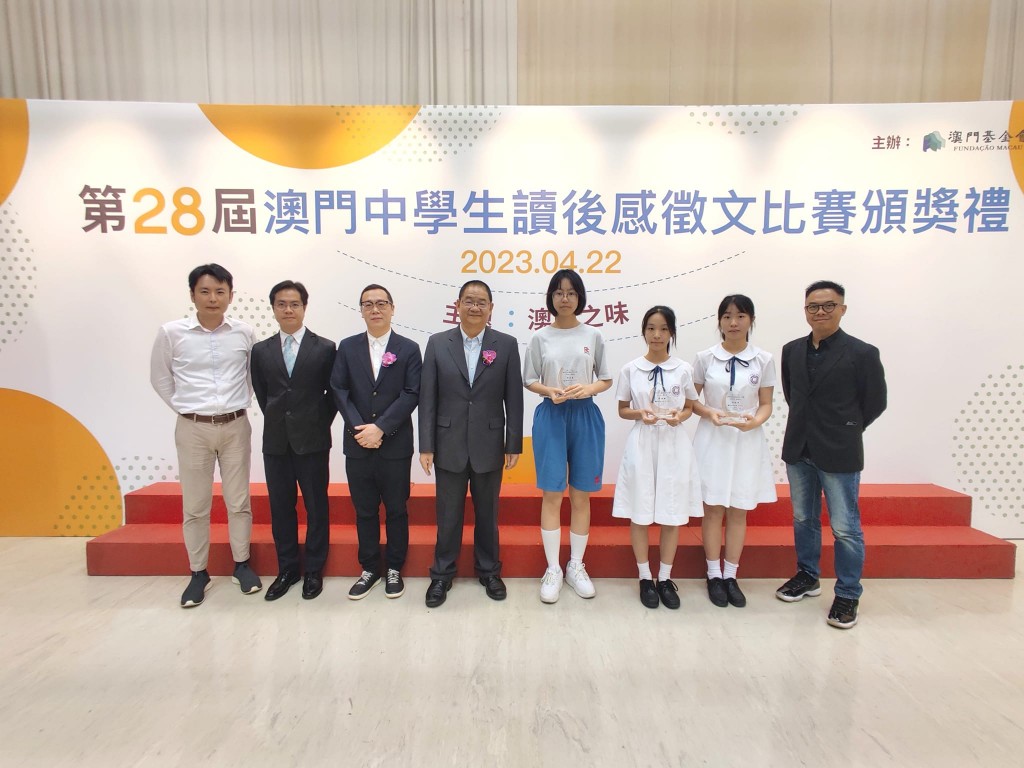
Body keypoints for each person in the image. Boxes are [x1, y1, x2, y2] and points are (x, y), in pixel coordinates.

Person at [776, 280, 887, 629]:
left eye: (828, 305)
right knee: (803, 519)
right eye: (813, 306)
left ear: (842, 309)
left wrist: (846, 428)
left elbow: (875, 402)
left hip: (840, 450)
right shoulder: (792, 350)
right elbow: (793, 395)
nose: (820, 312)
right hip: (799, 447)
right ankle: (807, 576)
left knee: (845, 527)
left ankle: (848, 593)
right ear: (805, 310)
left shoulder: (862, 353)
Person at [150, 263, 262, 607]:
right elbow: (160, 378)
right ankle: (198, 572)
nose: (213, 298)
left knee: (238, 500)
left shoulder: (244, 332)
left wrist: (235, 405)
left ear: (230, 295)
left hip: (235, 425)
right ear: (192, 295)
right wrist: (187, 409)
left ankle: (242, 565)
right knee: (196, 505)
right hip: (192, 428)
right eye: (205, 291)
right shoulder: (172, 332)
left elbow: (254, 376)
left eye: (220, 292)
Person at [418, 280, 524, 608]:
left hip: (489, 443)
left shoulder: (506, 345)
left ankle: (489, 571)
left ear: (491, 308)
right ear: (458, 305)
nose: (475, 307)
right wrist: (426, 445)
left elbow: (514, 399)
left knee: (488, 514)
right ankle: (441, 575)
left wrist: (513, 444)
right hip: (447, 442)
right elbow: (427, 397)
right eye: (469, 301)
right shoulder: (438, 343)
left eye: (481, 302)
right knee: (448, 515)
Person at [522, 269, 613, 604]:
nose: (565, 298)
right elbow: (529, 379)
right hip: (551, 414)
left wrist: (588, 388)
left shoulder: (593, 335)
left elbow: (605, 378)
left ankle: (576, 565)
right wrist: (549, 390)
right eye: (559, 293)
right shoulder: (540, 338)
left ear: (580, 297)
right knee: (551, 493)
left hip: (585, 414)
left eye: (571, 293)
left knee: (581, 494)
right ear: (551, 297)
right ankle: (553, 569)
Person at [331, 284, 421, 600]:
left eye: (381, 303)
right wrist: (362, 429)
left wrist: (381, 428)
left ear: (392, 308)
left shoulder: (409, 348)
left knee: (396, 508)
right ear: (361, 310)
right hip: (358, 444)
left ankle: (394, 568)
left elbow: (411, 393)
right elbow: (339, 389)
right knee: (365, 510)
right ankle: (369, 568)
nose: (375, 309)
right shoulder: (347, 347)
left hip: (395, 445)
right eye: (368, 304)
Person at [611, 306, 702, 609]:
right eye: (651, 328)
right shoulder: (631, 369)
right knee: (640, 512)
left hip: (673, 445)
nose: (657, 335)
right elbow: (622, 409)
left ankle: (664, 578)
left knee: (671, 513)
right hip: (642, 443)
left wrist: (680, 417)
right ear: (644, 331)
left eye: (663, 329)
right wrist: (641, 413)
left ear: (672, 332)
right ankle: (644, 577)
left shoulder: (683, 369)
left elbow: (690, 406)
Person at [251, 280, 336, 601]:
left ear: (304, 307)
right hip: (276, 442)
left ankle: (314, 570)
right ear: (273, 308)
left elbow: (332, 395)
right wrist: (282, 421)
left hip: (313, 440)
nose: (288, 310)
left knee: (316, 507)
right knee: (281, 507)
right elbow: (264, 394)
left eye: (295, 304)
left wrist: (314, 422)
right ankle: (287, 569)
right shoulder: (261, 351)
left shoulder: (325, 348)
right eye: (282, 304)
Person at [692, 295, 777, 609]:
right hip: (713, 438)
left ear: (751, 320)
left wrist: (755, 421)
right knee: (713, 508)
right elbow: (691, 401)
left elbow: (766, 403)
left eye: (740, 316)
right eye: (727, 316)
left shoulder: (763, 359)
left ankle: (731, 575)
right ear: (719, 321)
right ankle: (713, 574)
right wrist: (709, 412)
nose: (733, 323)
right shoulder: (705, 358)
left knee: (739, 509)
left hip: (746, 440)